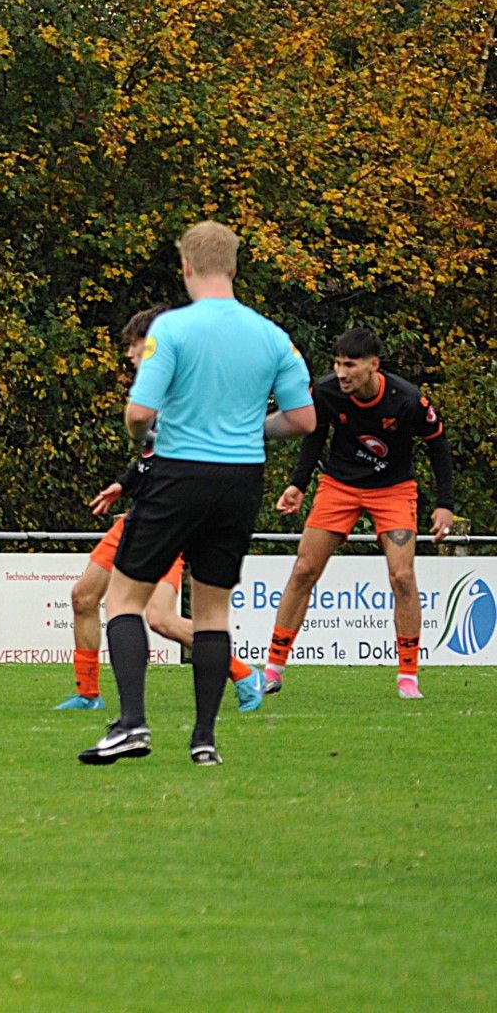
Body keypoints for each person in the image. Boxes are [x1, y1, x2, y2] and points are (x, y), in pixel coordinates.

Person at [79, 221, 313, 767]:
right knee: (212, 613)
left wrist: (143, 440)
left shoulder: (174, 332)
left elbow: (139, 413)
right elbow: (303, 419)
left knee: (124, 600)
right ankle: (204, 739)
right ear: (234, 268)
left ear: (186, 267)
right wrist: (247, 431)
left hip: (179, 473)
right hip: (241, 482)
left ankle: (133, 724)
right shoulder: (272, 336)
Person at [60, 307, 262, 713]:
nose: (130, 359)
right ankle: (88, 694)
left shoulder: (186, 391)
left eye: (134, 350)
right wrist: (124, 484)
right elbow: (152, 456)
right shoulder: (159, 392)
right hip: (140, 515)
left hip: (172, 521)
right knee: (83, 596)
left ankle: (243, 672)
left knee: (161, 619)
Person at [264, 328, 454, 699]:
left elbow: (438, 444)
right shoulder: (327, 391)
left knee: (402, 575)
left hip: (394, 489)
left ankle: (408, 676)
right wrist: (297, 484)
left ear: (373, 365)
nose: (341, 372)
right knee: (304, 569)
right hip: (340, 486)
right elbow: (314, 434)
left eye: (349, 365)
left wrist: (445, 504)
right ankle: (273, 669)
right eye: (337, 363)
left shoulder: (408, 400)